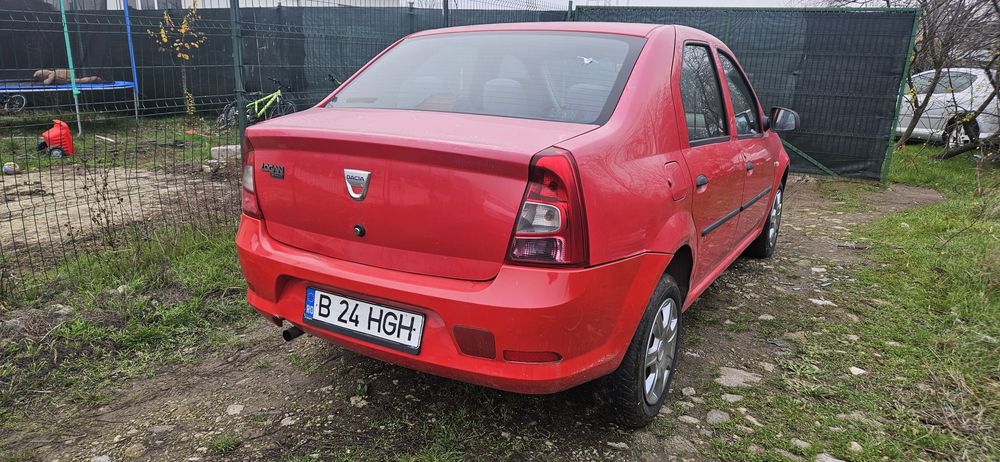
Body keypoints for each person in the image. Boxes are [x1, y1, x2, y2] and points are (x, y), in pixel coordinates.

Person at [32, 69, 103, 85]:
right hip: (68, 76)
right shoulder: (51, 74)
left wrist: (44, 81)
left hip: (69, 77)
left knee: (81, 81)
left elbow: (47, 82)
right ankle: (95, 78)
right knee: (80, 80)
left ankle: (95, 78)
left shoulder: (51, 74)